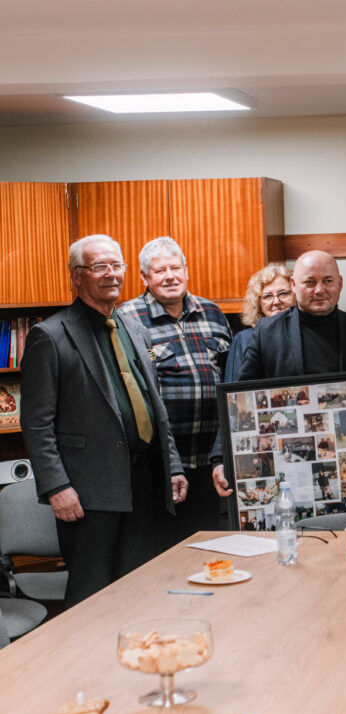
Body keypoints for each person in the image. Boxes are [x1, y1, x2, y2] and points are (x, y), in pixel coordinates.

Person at [21, 235, 187, 606]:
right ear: (76, 276)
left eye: (117, 265)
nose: (111, 273)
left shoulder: (133, 329)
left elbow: (153, 406)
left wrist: (172, 465)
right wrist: (56, 486)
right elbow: (36, 424)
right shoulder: (50, 336)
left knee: (140, 590)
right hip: (88, 493)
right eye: (100, 266)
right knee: (91, 597)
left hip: (143, 483)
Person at [211, 250, 346, 498]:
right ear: (294, 285)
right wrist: (220, 457)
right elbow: (240, 399)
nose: (319, 290)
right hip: (287, 465)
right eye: (310, 282)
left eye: (328, 281)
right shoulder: (266, 332)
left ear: (340, 283)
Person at [117, 236, 231, 538]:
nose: (170, 276)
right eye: (160, 271)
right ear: (144, 277)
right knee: (165, 546)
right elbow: (134, 396)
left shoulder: (212, 312)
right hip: (161, 463)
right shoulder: (127, 319)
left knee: (209, 542)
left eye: (175, 268)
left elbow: (231, 377)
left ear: (186, 271)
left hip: (212, 460)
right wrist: (169, 462)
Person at [225, 265, 295, 382]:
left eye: (283, 293)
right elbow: (233, 388)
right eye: (268, 296)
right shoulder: (244, 339)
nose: (276, 301)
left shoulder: (305, 332)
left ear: (296, 295)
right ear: (258, 303)